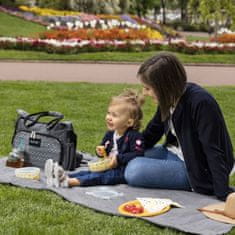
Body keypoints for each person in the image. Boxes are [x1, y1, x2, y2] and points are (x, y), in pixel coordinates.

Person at [124, 52, 234, 201]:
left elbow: (213, 149)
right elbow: (152, 133)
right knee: (130, 157)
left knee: (134, 169)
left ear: (164, 87)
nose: (145, 93)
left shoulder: (201, 103)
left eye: (148, 88)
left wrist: (223, 192)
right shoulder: (168, 99)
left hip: (197, 168)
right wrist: (121, 150)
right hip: (173, 153)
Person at [45, 89, 145, 187]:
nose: (109, 117)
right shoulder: (111, 134)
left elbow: (138, 154)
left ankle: (69, 182)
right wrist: (100, 151)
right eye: (108, 113)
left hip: (122, 171)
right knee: (88, 172)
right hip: (108, 166)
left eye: (114, 115)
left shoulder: (134, 136)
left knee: (100, 177)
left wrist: (118, 159)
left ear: (129, 122)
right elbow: (103, 148)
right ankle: (62, 176)